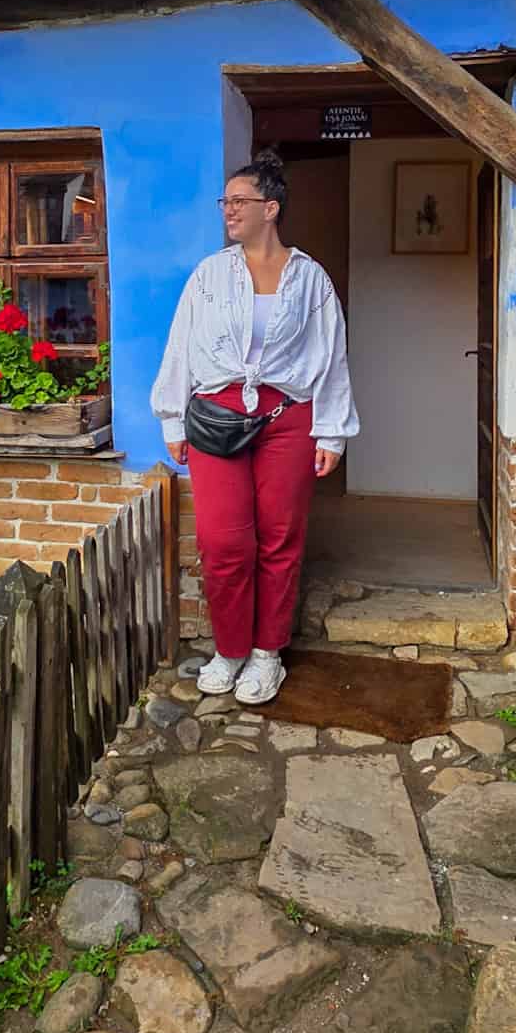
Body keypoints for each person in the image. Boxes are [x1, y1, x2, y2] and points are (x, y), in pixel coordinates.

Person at [151, 149, 358, 704]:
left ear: (271, 208)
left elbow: (331, 355)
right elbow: (182, 346)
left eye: (239, 201)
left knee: (280, 538)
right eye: (225, 201)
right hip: (217, 418)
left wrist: (331, 432)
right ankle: (231, 648)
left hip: (289, 420)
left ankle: (267, 653)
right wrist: (173, 416)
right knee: (223, 541)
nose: (228, 210)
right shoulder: (210, 275)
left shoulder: (310, 279)